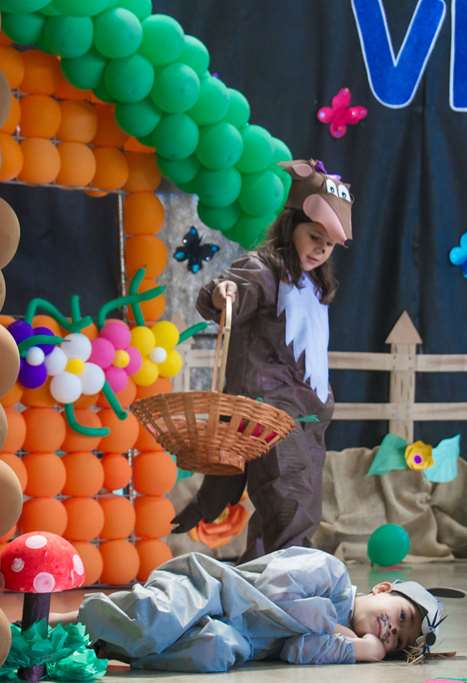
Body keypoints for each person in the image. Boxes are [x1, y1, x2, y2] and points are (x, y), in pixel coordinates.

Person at [172, 159, 355, 561]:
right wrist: (223, 293)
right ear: (291, 227)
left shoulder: (314, 285)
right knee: (287, 502)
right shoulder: (263, 270)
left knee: (302, 507)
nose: (321, 248)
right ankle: (279, 582)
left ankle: (271, 578)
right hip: (268, 413)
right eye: (314, 236)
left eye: (329, 244)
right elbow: (228, 291)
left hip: (306, 416)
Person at [50, 546, 463, 672]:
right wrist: (333, 628)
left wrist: (357, 649)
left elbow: (296, 650)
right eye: (402, 617)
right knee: (157, 619)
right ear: (383, 588)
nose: (391, 631)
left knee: (213, 651)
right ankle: (67, 620)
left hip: (234, 635)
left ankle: (108, 649)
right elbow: (274, 589)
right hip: (211, 590)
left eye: (397, 641)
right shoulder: (332, 575)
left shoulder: (341, 637)